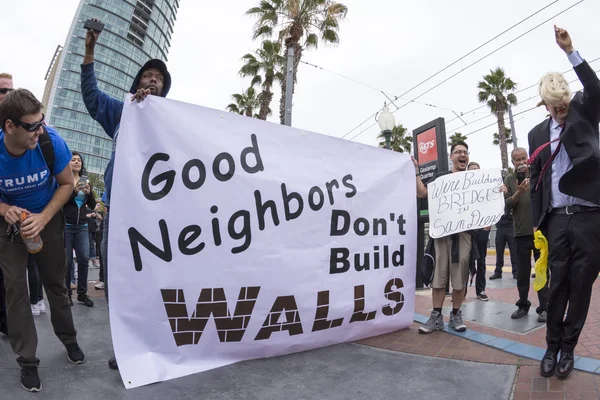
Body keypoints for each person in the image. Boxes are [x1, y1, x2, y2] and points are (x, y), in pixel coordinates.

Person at [81, 19, 172, 370]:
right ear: (137, 83)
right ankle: (127, 346)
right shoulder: (121, 112)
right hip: (119, 212)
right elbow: (91, 97)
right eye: (148, 75)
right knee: (118, 283)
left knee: (151, 284)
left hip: (156, 217)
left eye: (159, 77)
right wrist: (90, 52)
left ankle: (155, 343)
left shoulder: (172, 121)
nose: (153, 78)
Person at [0, 89, 85, 392]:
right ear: (10, 127)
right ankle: (27, 360)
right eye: (32, 125)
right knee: (16, 290)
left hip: (47, 217)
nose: (40, 130)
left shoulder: (50, 141)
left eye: (41, 121)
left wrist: (44, 218)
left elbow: (66, 185)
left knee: (55, 284)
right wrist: (5, 208)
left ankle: (70, 339)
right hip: (10, 224)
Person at [529, 26, 600, 380]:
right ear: (544, 103)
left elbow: (595, 89)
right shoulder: (536, 134)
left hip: (588, 217)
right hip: (555, 219)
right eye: (554, 107)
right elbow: (536, 181)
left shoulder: (584, 112)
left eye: (563, 105)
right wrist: (537, 222)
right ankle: (551, 345)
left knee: (581, 284)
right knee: (557, 284)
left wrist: (570, 51)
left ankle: (569, 348)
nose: (560, 111)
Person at [414, 141, 475, 334]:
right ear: (451, 157)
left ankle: (456, 315)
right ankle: (436, 317)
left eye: (465, 152)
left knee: (460, 279)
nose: (462, 155)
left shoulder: (476, 180)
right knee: (439, 278)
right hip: (441, 235)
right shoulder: (441, 178)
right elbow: (422, 192)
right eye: (458, 152)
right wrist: (416, 171)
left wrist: (498, 194)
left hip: (463, 235)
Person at [502, 148, 548, 322]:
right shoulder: (509, 179)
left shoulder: (537, 173)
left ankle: (545, 307)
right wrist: (519, 191)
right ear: (512, 162)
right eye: (517, 160)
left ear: (528, 159)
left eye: (523, 158)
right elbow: (506, 204)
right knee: (522, 273)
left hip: (540, 233)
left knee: (542, 271)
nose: (521, 162)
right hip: (520, 233)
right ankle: (523, 305)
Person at [63, 152, 96, 307]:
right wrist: (74, 192)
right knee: (68, 261)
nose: (76, 162)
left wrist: (88, 194)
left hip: (82, 226)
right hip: (67, 226)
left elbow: (92, 203)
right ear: (68, 163)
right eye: (73, 160)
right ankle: (67, 294)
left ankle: (82, 294)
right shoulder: (64, 180)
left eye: (79, 160)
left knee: (83, 259)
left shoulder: (86, 181)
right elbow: (61, 202)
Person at [0, 72, 14, 336]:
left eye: (11, 90)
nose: (7, 95)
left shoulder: (15, 128)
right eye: (2, 91)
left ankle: (4, 319)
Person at [466, 162, 490, 301]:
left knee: (481, 261)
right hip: (467, 230)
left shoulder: (486, 188)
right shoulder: (463, 187)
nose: (475, 171)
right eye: (472, 170)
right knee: (464, 261)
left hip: (482, 230)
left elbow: (492, 204)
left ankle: (480, 290)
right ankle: (461, 290)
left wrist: (489, 223)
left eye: (477, 169)